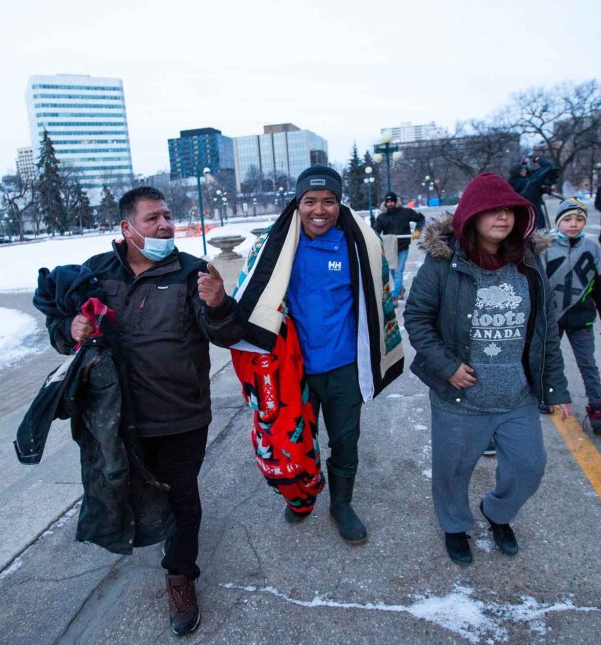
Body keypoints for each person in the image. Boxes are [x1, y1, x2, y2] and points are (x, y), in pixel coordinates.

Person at [45, 186, 245, 637]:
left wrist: (219, 304)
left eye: (168, 216)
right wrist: (68, 327)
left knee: (182, 498)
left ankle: (180, 576)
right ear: (127, 228)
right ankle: (145, 534)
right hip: (114, 417)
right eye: (153, 218)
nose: (165, 225)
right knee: (122, 485)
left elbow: (228, 334)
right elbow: (60, 330)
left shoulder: (193, 273)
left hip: (179, 415)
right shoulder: (96, 273)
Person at [404, 172, 572, 567]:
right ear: (472, 216)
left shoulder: (529, 263)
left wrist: (557, 388)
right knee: (453, 472)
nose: (503, 217)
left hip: (516, 395)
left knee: (530, 467)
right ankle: (455, 525)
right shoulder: (442, 264)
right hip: (461, 396)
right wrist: (447, 367)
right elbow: (417, 318)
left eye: (510, 210)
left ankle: (497, 513)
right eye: (492, 210)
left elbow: (547, 328)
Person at [233, 165, 405, 544]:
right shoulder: (276, 248)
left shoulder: (358, 246)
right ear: (297, 204)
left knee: (345, 440)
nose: (319, 209)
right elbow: (249, 296)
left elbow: (381, 298)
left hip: (343, 367)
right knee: (294, 440)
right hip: (294, 370)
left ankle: (341, 505)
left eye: (329, 201)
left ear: (339, 204)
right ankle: (301, 497)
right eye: (310, 200)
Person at [545, 198, 601, 435]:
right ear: (558, 222)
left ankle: (597, 408)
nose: (573, 224)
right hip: (551, 318)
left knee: (587, 363)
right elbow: (533, 285)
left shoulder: (592, 249)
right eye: (567, 219)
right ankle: (547, 394)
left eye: (579, 219)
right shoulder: (545, 247)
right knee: (546, 358)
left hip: (581, 319)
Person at [372, 191, 426, 302]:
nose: (390, 203)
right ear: (385, 203)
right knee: (393, 271)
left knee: (398, 271)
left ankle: (394, 295)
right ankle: (400, 289)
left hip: (403, 247)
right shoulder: (382, 217)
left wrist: (417, 231)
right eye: (388, 201)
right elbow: (375, 231)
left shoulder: (405, 213)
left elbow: (420, 218)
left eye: (392, 201)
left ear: (396, 202)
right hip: (389, 248)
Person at [512, 156, 559, 230]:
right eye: (524, 170)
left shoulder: (512, 184)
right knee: (540, 236)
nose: (526, 171)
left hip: (520, 223)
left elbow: (528, 194)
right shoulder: (530, 182)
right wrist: (537, 158)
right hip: (536, 221)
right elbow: (548, 166)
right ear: (521, 172)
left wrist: (540, 190)